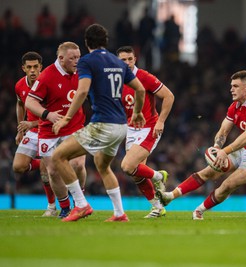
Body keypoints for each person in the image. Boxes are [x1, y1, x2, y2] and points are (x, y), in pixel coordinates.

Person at [51, 24, 146, 222]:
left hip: (102, 124)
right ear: (106, 41)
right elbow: (140, 90)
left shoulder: (87, 61)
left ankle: (81, 205)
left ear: (87, 43)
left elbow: (83, 90)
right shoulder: (117, 61)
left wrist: (67, 118)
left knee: (58, 156)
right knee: (102, 165)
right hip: (121, 126)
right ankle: (119, 214)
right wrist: (137, 112)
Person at [157, 70, 246, 220]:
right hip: (244, 149)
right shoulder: (235, 106)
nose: (231, 89)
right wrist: (216, 148)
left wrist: (225, 151)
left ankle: (199, 210)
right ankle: (170, 196)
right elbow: (223, 131)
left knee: (228, 184)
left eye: (235, 86)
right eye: (231, 86)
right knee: (208, 171)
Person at [25, 42, 87, 218]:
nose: (77, 61)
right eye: (72, 58)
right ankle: (65, 207)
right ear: (61, 58)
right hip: (49, 130)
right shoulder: (47, 76)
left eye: (78, 57)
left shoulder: (82, 72)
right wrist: (48, 115)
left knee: (78, 164)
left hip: (74, 127)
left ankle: (80, 201)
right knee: (52, 170)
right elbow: (30, 102)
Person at [116, 46, 174, 218]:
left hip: (149, 128)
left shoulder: (144, 77)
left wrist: (161, 121)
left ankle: (158, 176)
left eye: (130, 59)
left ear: (135, 59)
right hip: (131, 129)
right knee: (136, 173)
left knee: (127, 166)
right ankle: (158, 207)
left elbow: (169, 96)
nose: (126, 63)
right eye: (123, 60)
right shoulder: (116, 80)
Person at [13, 51, 56, 217]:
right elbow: (19, 103)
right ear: (23, 68)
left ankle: (51, 207)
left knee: (46, 174)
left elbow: (56, 114)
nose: (32, 70)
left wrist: (32, 123)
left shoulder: (48, 84)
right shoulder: (19, 86)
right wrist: (21, 129)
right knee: (18, 167)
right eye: (29, 67)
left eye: (35, 67)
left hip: (49, 131)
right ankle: (45, 163)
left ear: (41, 68)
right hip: (31, 132)